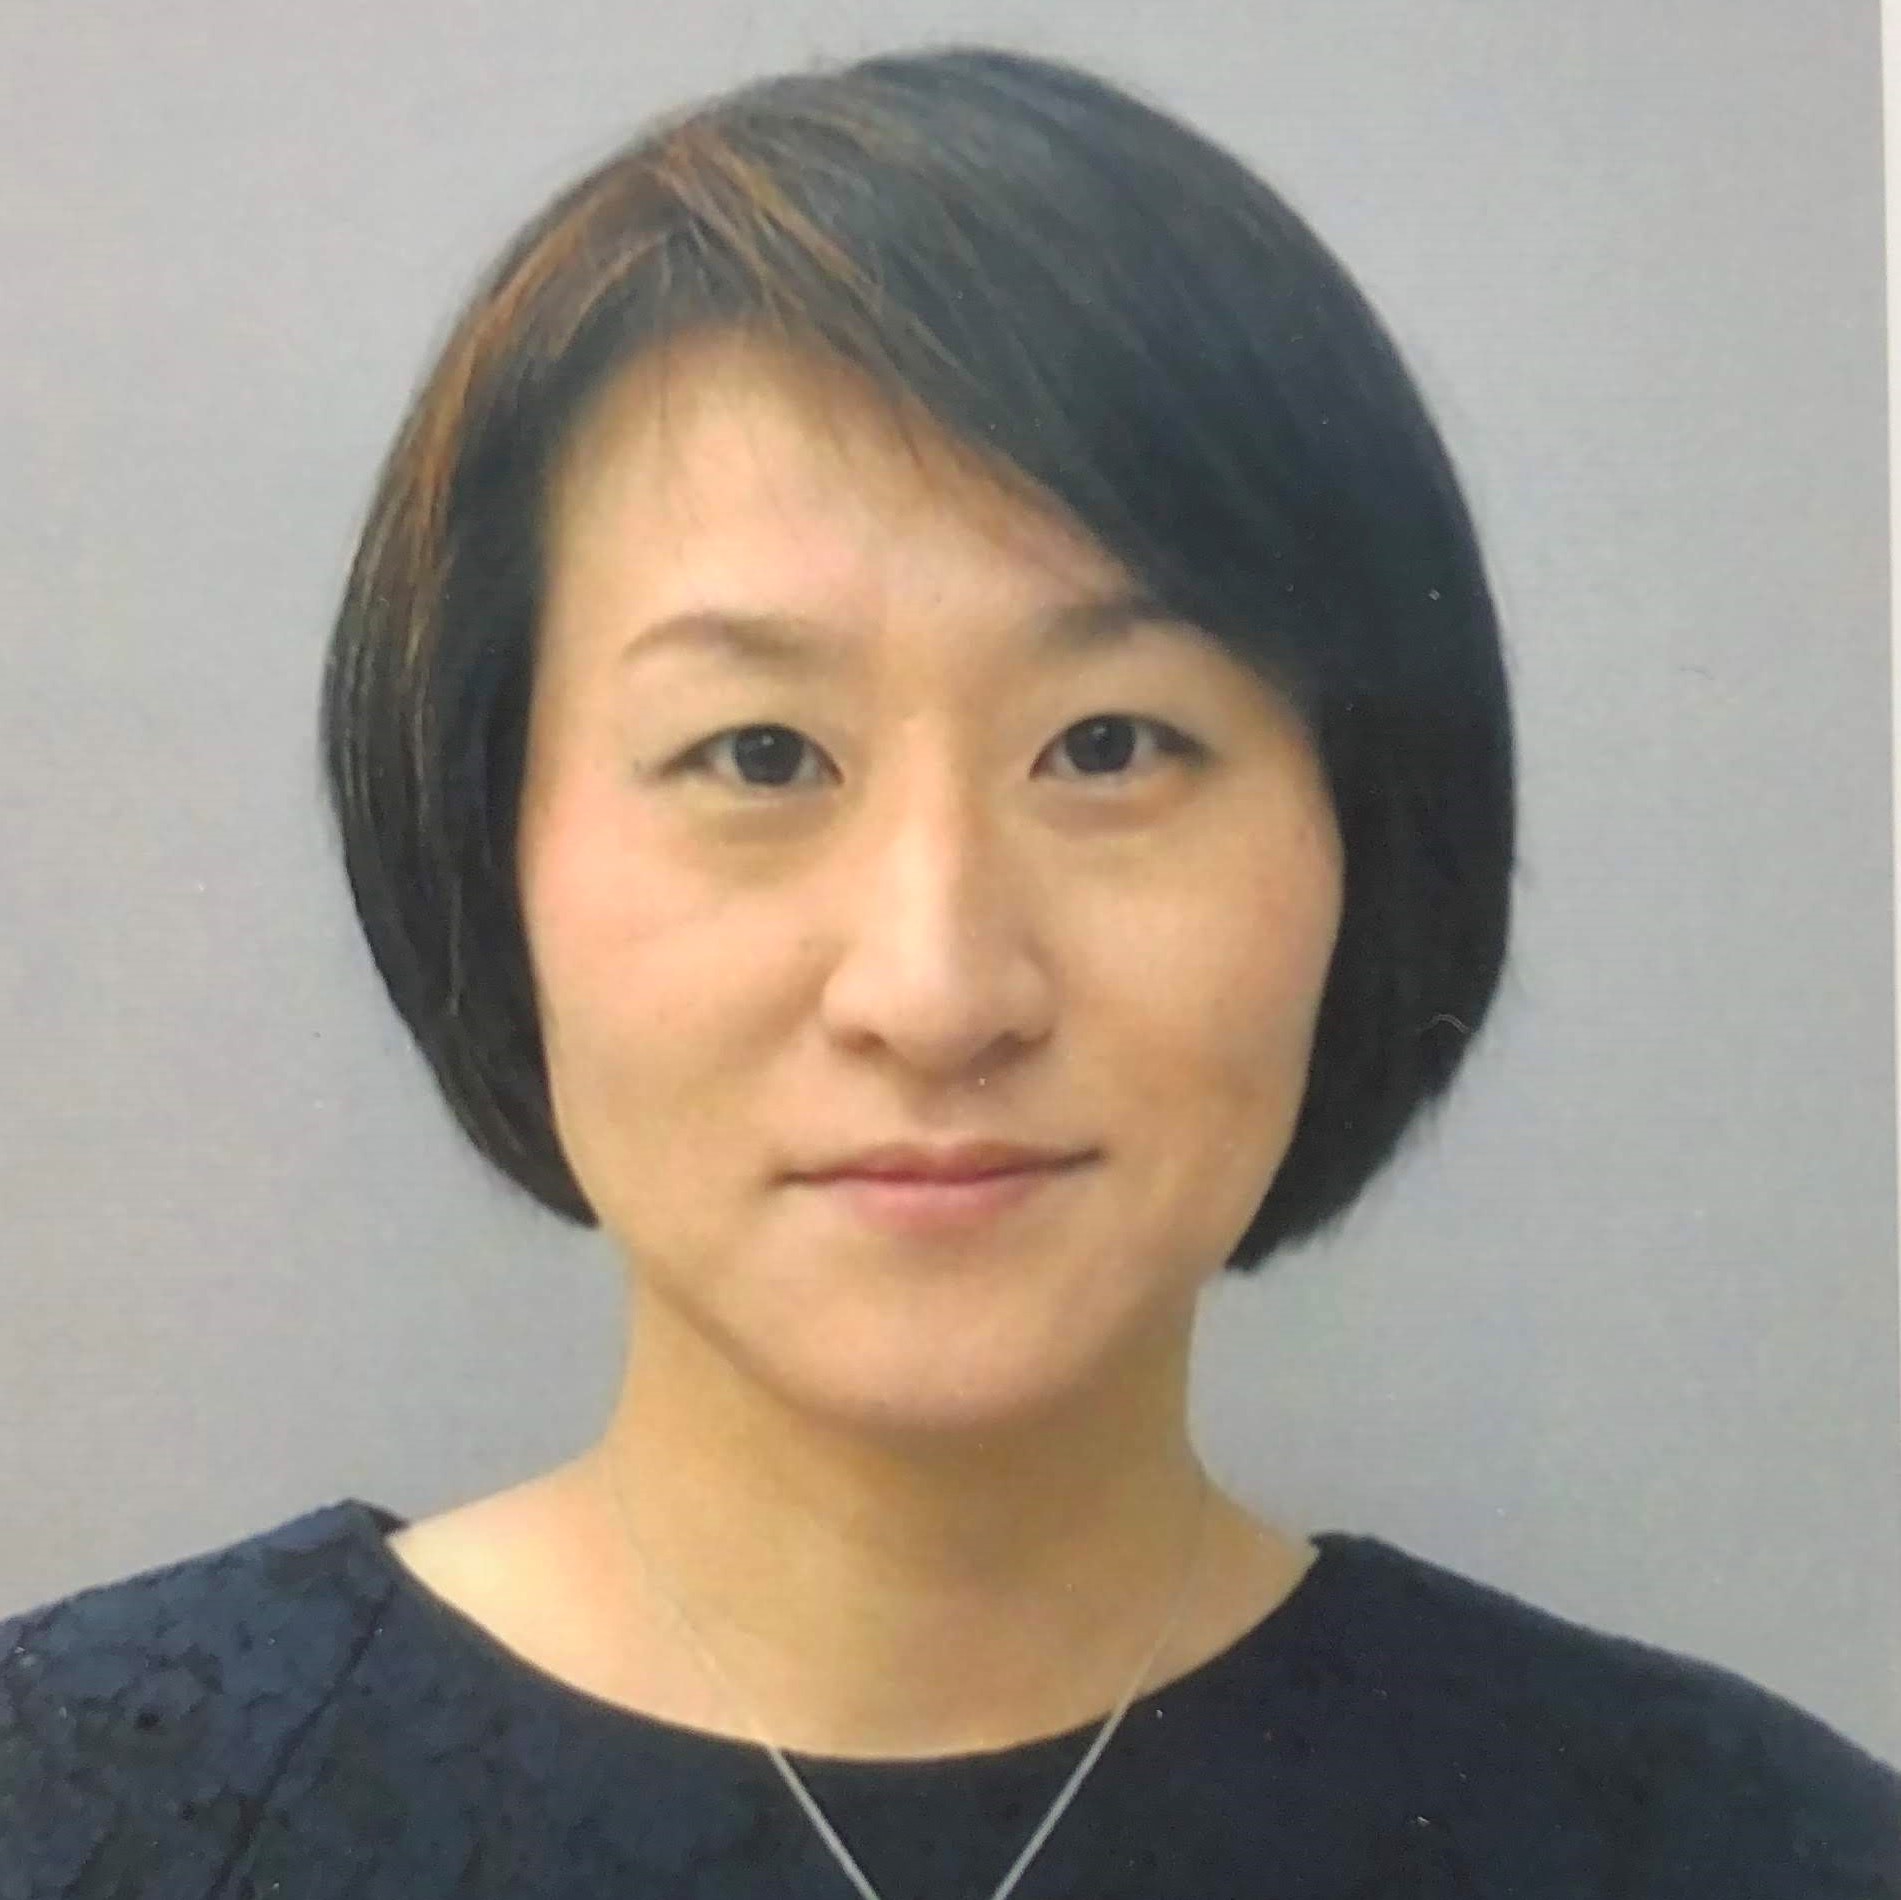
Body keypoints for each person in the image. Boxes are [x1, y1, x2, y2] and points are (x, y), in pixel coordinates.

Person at [3, 42, 1896, 1899]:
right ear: (484, 845)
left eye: (1108, 745)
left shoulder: (1742, 1849)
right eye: (759, 755)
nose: (934, 989)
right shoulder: (78, 1811)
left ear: (1367, 838)